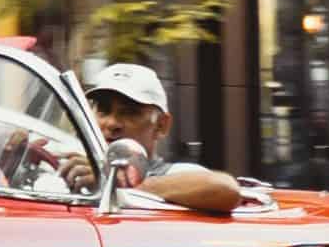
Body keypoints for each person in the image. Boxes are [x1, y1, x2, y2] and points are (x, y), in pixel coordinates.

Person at [66, 63, 244, 214]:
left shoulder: (176, 174)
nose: (112, 123)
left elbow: (226, 189)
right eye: (103, 111)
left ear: (161, 125)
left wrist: (117, 186)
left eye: (130, 112)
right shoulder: (76, 168)